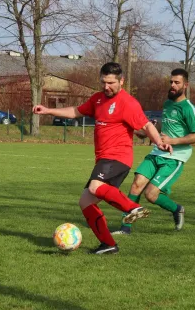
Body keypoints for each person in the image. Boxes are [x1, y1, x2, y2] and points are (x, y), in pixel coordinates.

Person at [33, 62, 171, 255]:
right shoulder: (98, 99)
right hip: (104, 160)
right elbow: (76, 112)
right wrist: (48, 111)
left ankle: (132, 207)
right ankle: (108, 244)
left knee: (95, 187)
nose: (106, 87)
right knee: (85, 202)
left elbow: (146, 126)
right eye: (103, 82)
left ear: (121, 81)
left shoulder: (127, 102)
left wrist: (159, 142)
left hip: (118, 158)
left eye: (111, 83)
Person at [112, 68, 195, 236]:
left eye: (177, 82)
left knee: (151, 195)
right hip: (157, 151)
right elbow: (164, 127)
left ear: (186, 85)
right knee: (137, 183)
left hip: (175, 156)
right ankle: (126, 227)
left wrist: (172, 141)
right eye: (171, 82)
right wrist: (149, 131)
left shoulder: (189, 108)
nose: (173, 85)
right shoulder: (167, 103)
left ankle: (177, 209)